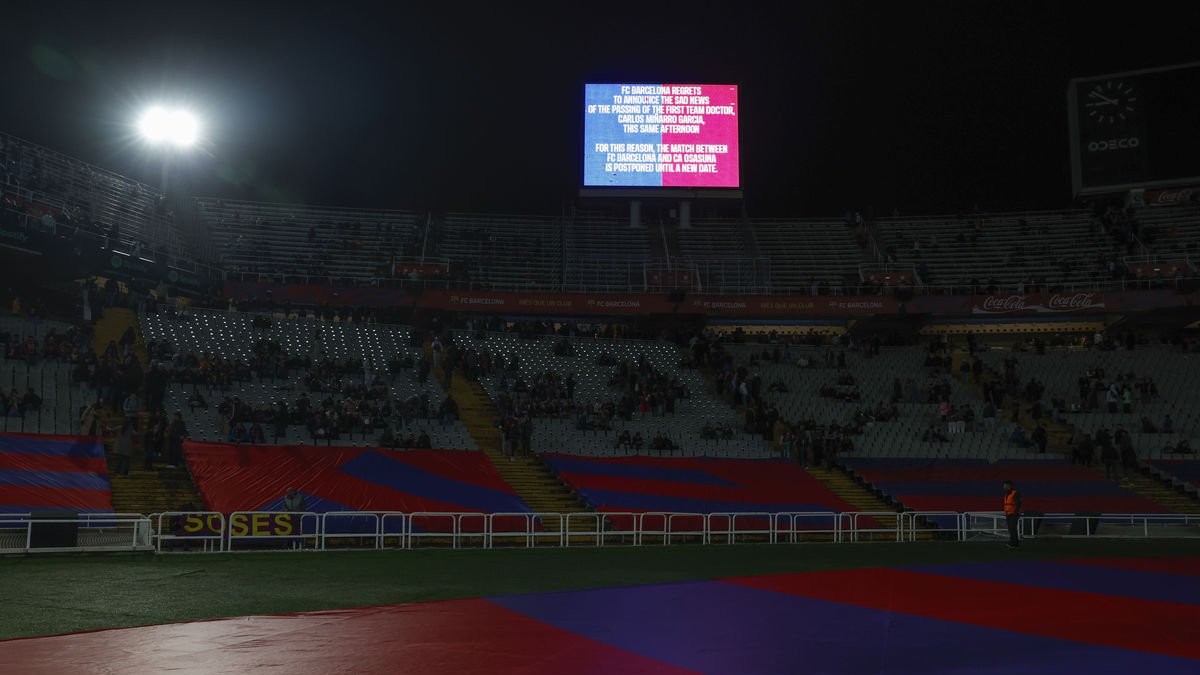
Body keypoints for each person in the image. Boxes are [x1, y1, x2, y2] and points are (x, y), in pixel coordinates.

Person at [1002, 480, 1022, 549]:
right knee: (1011, 529)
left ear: (1008, 486)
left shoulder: (1015, 493)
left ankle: (1013, 543)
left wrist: (1016, 513)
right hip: (1009, 514)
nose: (1003, 486)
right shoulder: (1007, 493)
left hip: (1013, 514)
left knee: (1012, 529)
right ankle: (1014, 543)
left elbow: (1018, 504)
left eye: (1004, 485)